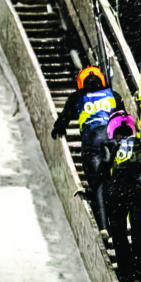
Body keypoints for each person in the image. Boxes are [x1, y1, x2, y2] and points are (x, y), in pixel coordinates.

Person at [51, 65, 126, 231]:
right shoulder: (113, 95)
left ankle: (104, 227)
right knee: (115, 182)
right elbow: (124, 121)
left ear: (82, 83)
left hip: (92, 142)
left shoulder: (78, 96)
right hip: (112, 140)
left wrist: (57, 129)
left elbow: (64, 118)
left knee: (97, 183)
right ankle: (119, 226)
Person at [103, 112, 141, 282]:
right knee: (139, 237)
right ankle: (139, 279)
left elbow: (103, 172)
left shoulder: (113, 148)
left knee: (119, 236)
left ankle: (125, 275)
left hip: (117, 195)